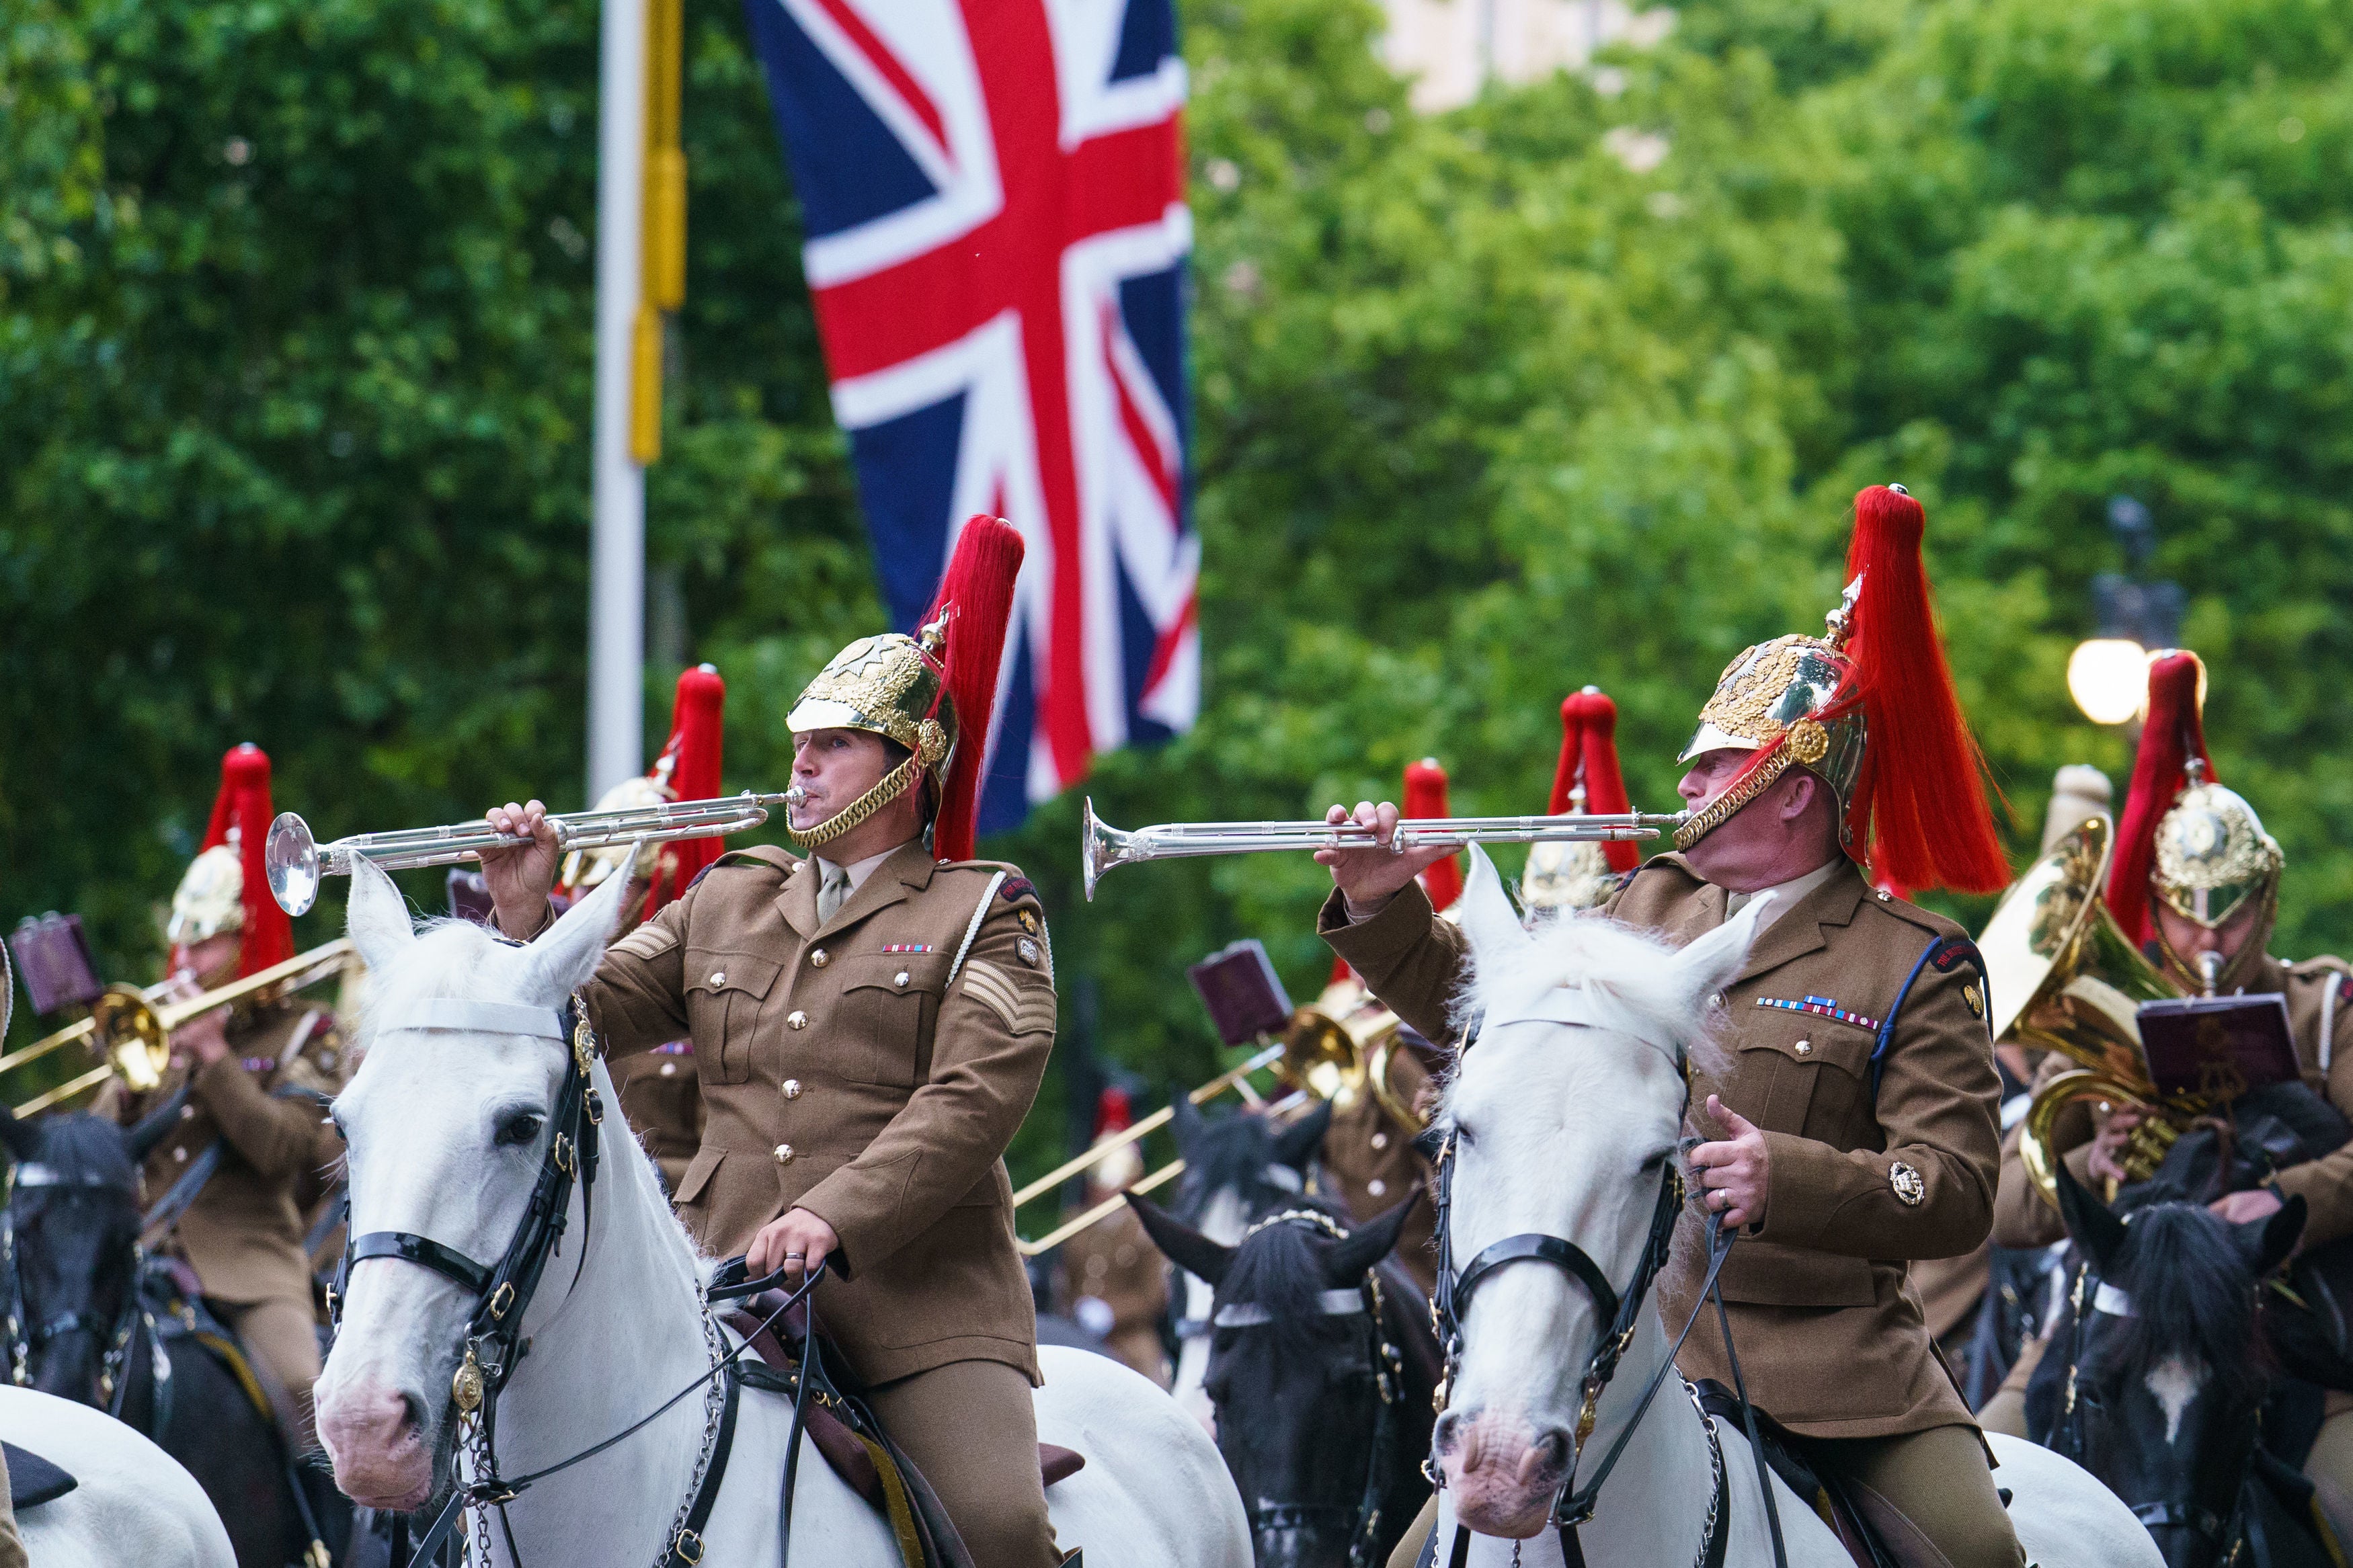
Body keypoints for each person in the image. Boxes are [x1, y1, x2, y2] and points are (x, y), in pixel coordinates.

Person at [1325, 487, 2026, 1568]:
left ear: (1794, 792)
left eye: (1713, 767)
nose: (1686, 783)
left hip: (1834, 1372)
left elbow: (1958, 1187)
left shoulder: (1914, 960)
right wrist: (1382, 906)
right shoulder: (1642, 908)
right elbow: (1498, 1022)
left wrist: (1783, 1176)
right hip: (1629, 1344)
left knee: (1978, 1552)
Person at [477, 520, 1069, 1568]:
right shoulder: (729, 895)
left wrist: (831, 1214)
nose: (801, 763)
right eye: (799, 740)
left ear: (910, 760)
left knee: (999, 1525)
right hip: (715, 1277)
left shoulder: (989, 912)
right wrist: (524, 923)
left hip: (915, 1301)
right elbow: (584, 1016)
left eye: (832, 744)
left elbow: (971, 1101)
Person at [1986, 652, 2353, 1526]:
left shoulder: (2329, 1007)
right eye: (2186, 909)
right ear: (2156, 902)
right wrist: (2092, 1154)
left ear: (2268, 899)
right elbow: (2003, 1207)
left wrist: (2277, 1199)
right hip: (2115, 1324)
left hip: (2291, 1337)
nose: (2208, 933)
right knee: (1981, 1496)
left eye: (2230, 908)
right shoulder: (2107, 1017)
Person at [102, 743, 344, 1445]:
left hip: (248, 1261)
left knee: (307, 1395)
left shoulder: (307, 1031)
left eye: (206, 943)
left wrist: (214, 1058)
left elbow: (287, 1152)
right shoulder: (160, 1025)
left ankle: (337, 1546)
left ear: (249, 940)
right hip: (142, 1246)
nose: (186, 961)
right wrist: (133, 1074)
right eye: (183, 941)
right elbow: (97, 1141)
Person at [551, 665, 727, 1193]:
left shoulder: (706, 994)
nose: (581, 901)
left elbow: (725, 1166)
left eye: (611, 885)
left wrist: (617, 1180)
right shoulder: (580, 980)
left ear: (658, 883)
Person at [1053, 1088, 1172, 1385]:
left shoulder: (1145, 1227)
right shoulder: (1075, 1222)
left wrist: (1110, 1313)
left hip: (1131, 1340)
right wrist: (1072, 1309)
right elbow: (1064, 1282)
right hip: (1076, 1332)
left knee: (1150, 1386)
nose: (1104, 1189)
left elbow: (1153, 1296)